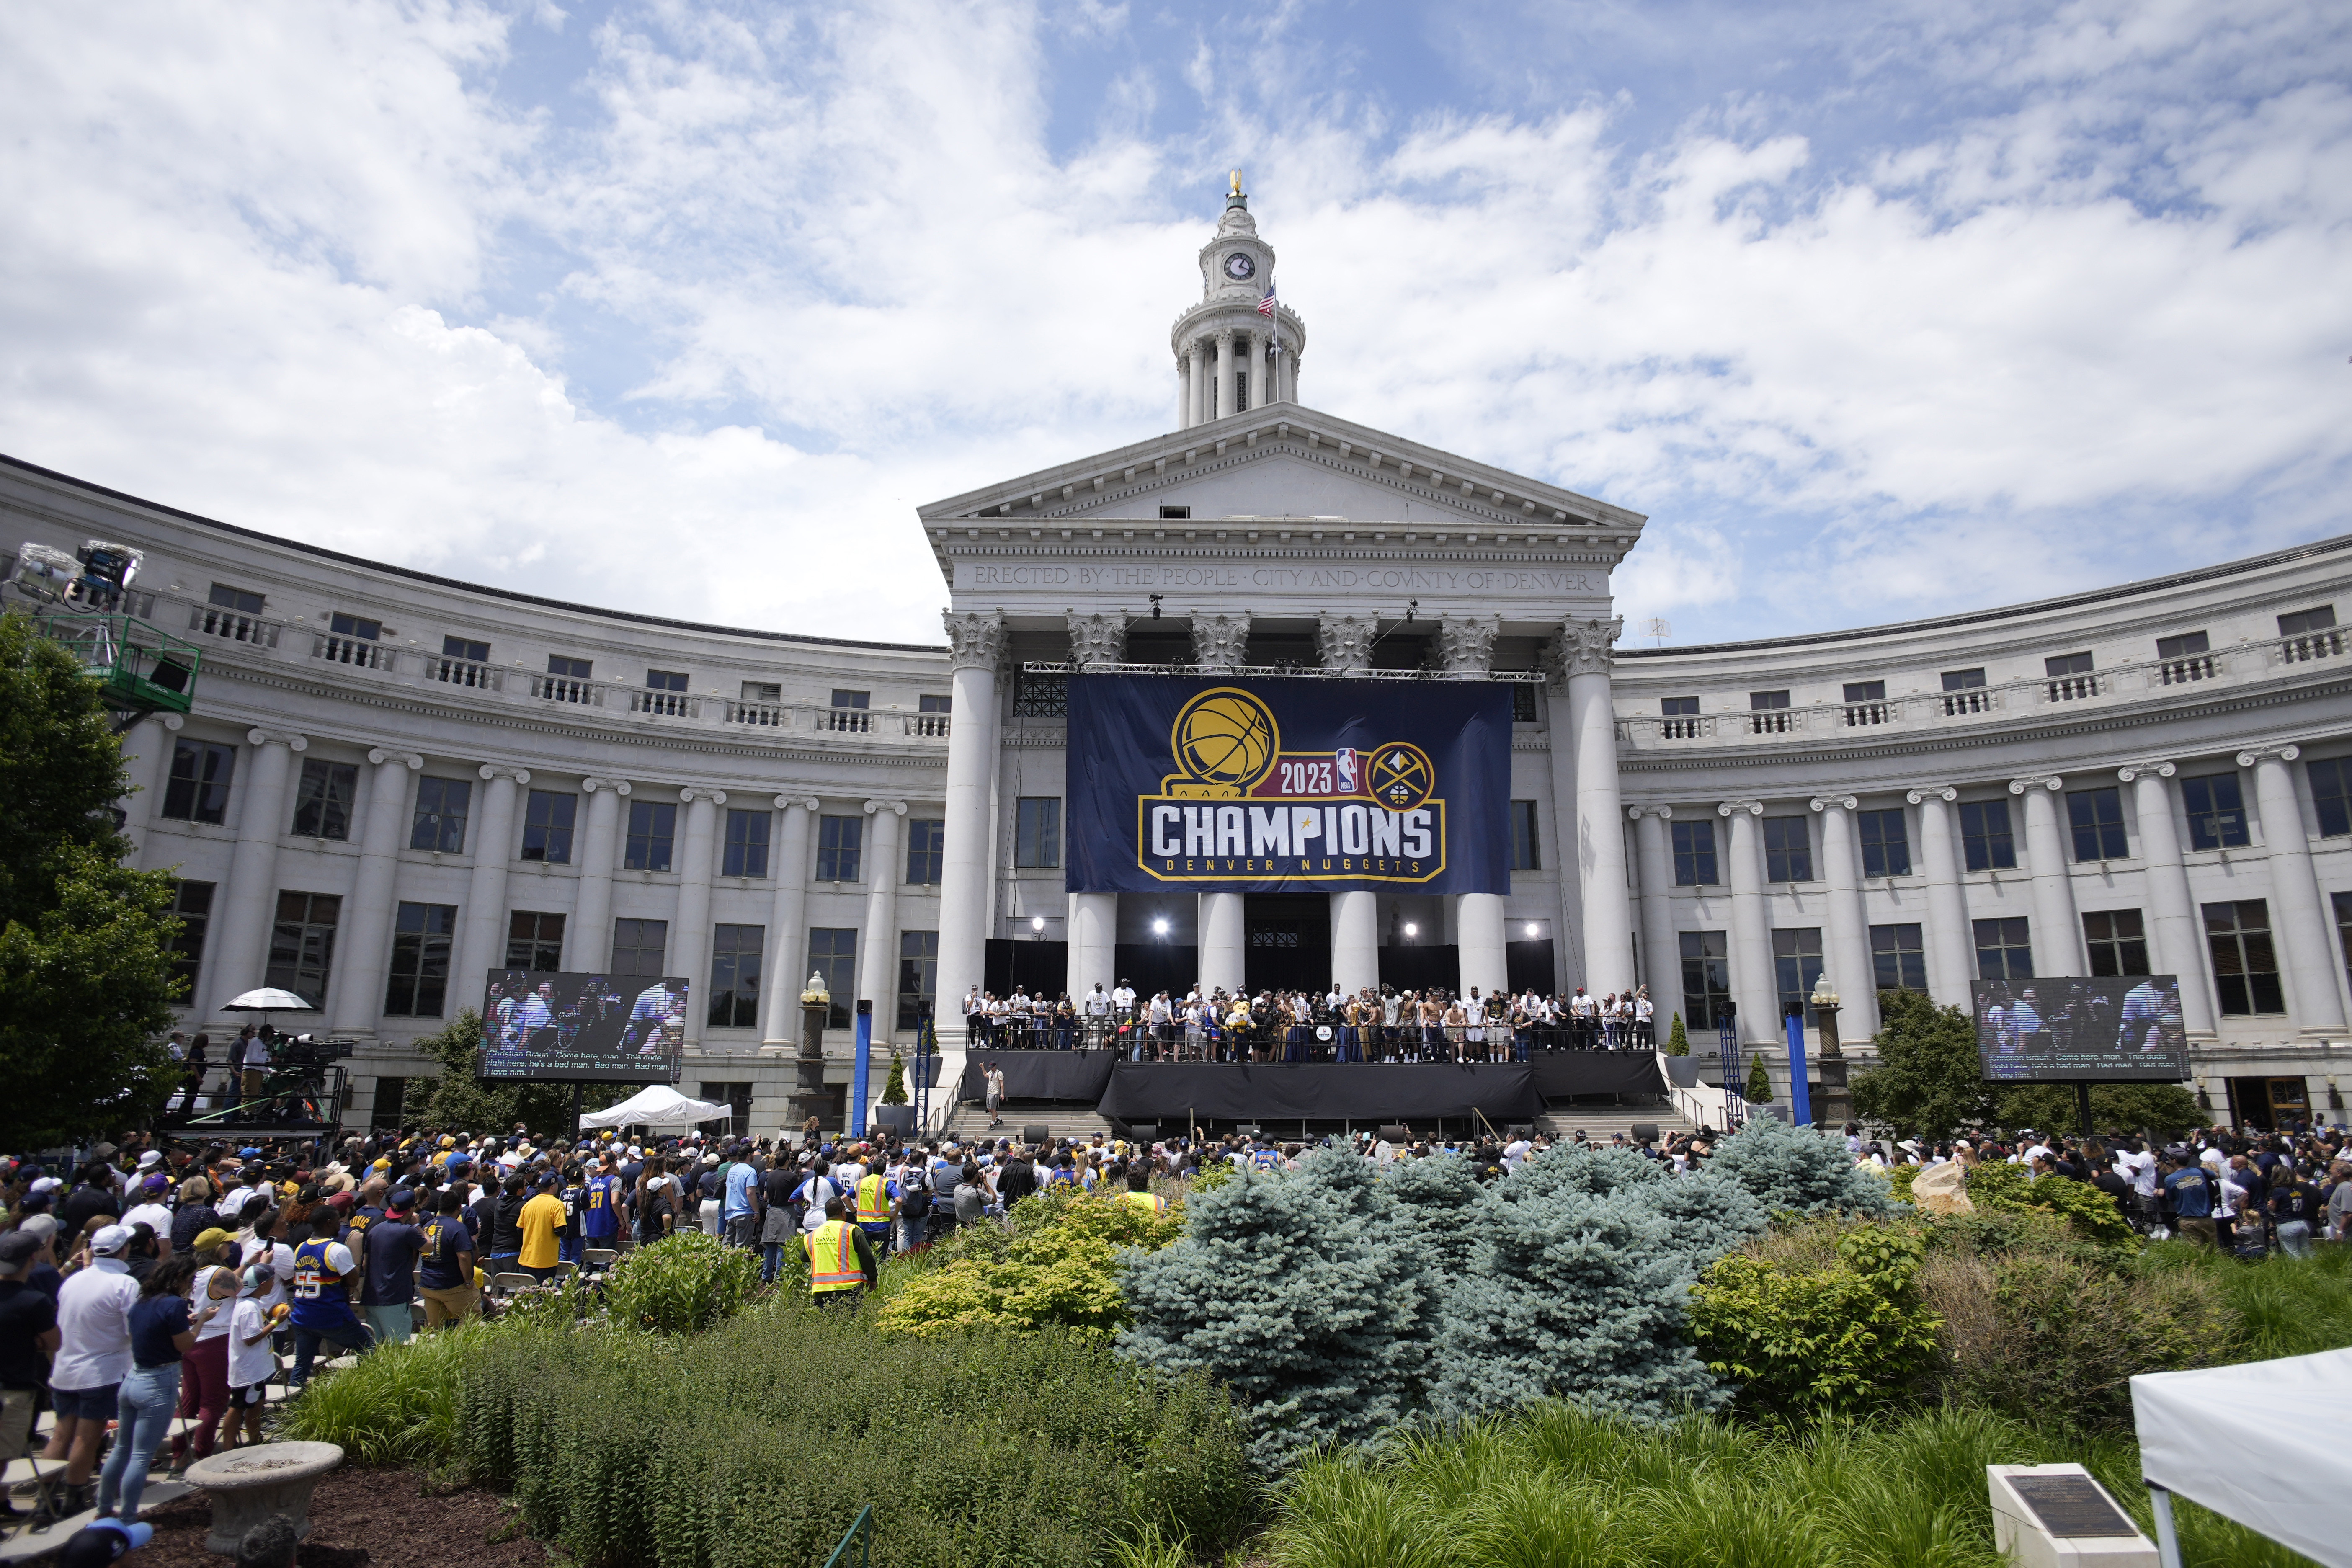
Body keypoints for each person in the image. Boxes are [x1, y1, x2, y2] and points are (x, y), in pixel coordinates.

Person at [95, 1254, 203, 1523]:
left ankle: (104, 1508)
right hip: (158, 1383)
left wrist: (184, 1322)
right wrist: (201, 1322)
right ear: (179, 1278)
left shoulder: (141, 1302)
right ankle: (129, 1516)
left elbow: (153, 1331)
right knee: (142, 1456)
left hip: (132, 1378)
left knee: (121, 1450)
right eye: (190, 1280)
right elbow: (185, 1346)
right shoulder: (175, 1304)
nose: (191, 1286)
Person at [46, 1224, 142, 1517]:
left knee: (61, 1435)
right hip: (100, 1373)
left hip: (64, 1371)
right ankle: (73, 1499)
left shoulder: (73, 1281)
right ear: (123, 1250)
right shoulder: (125, 1284)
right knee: (86, 1438)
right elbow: (133, 1331)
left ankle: (46, 1501)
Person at [0, 1230, 58, 1511]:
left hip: (13, 1387)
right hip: (15, 1389)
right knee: (4, 1456)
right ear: (33, 1258)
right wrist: (32, 1340)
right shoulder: (35, 1301)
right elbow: (55, 1341)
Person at [286, 1221, 369, 1388]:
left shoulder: (300, 1248)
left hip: (303, 1315)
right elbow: (353, 1281)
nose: (340, 1225)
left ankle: (295, 1406)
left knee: (302, 1363)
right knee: (368, 1347)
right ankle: (364, 1390)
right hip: (331, 1315)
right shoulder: (337, 1249)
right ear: (329, 1224)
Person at [356, 1187, 425, 1346]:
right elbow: (428, 1247)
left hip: (372, 1295)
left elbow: (365, 1264)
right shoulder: (408, 1230)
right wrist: (417, 1225)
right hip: (394, 1297)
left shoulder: (375, 1230)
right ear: (411, 1209)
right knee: (398, 1349)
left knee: (376, 1349)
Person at [415, 1190, 478, 1328]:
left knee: (434, 1328)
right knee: (471, 1320)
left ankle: (434, 1350)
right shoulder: (458, 1228)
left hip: (428, 1285)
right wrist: (468, 1281)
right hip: (452, 1285)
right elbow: (463, 1257)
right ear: (459, 1208)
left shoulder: (427, 1227)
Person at [802, 1196, 877, 1309]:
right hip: (849, 1289)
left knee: (826, 1324)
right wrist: (872, 1278)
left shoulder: (812, 1235)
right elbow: (867, 1256)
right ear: (843, 1212)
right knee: (851, 1323)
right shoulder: (852, 1230)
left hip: (821, 1290)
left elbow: (804, 1257)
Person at [516, 1173, 568, 1284]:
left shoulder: (528, 1205)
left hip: (526, 1259)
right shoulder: (557, 1205)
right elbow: (560, 1230)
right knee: (544, 1298)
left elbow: (519, 1230)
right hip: (546, 1261)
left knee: (528, 1298)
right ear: (553, 1186)